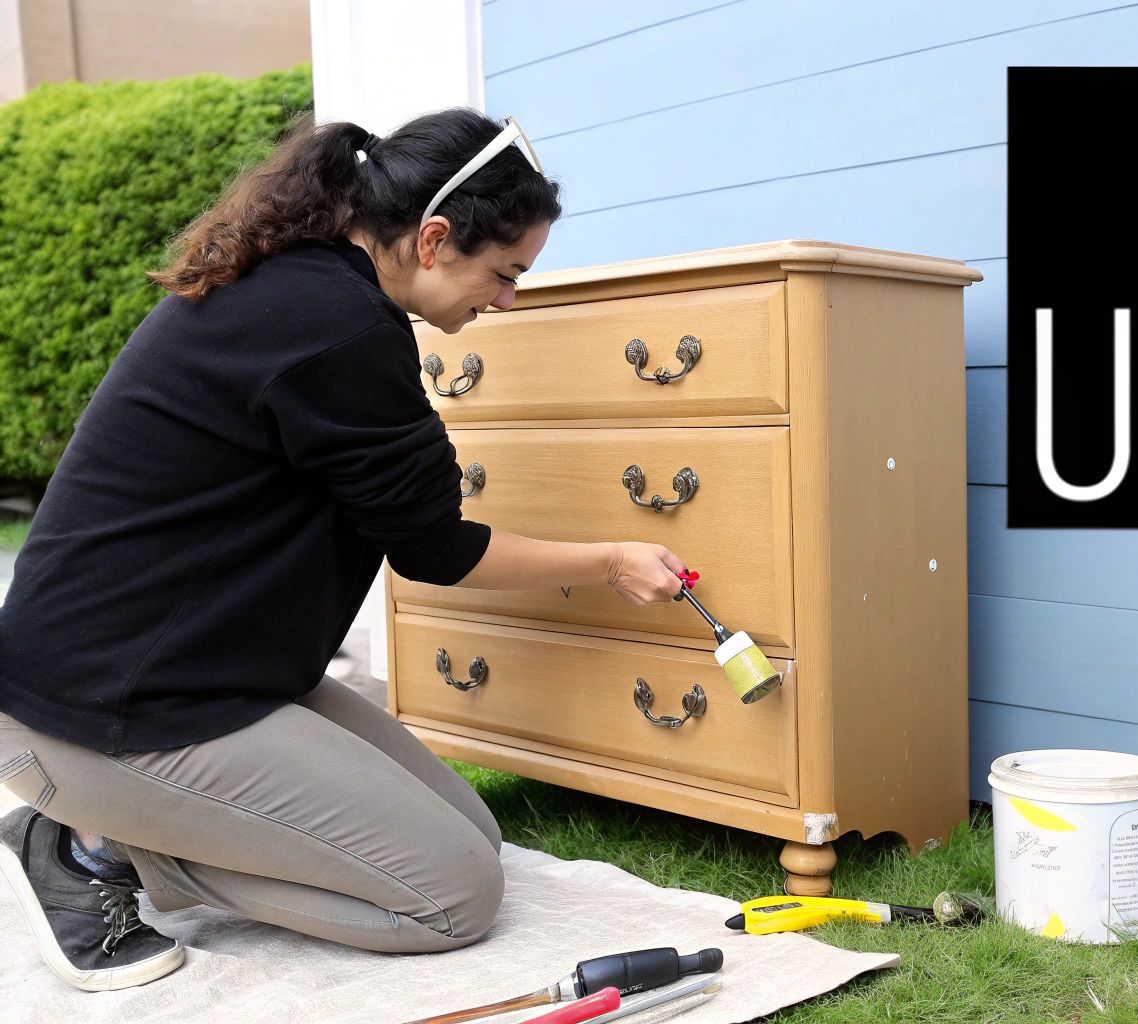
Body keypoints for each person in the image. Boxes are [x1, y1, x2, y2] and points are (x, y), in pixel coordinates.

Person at [0, 108, 687, 992]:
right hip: (102, 710)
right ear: (433, 238)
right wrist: (605, 561)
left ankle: (111, 826)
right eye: (505, 273)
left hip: (194, 676)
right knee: (449, 896)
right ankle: (94, 850)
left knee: (472, 837)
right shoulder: (339, 326)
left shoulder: (303, 288)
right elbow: (437, 551)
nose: (508, 301)